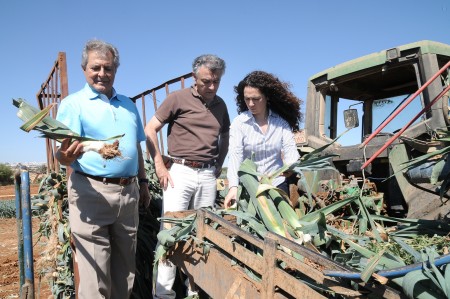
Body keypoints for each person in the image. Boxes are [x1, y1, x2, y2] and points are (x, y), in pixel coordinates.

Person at [55, 39, 150, 299]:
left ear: (115, 70)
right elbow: (62, 153)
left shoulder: (128, 105)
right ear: (84, 69)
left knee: (125, 269)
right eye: (96, 67)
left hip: (128, 193)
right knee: (95, 272)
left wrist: (143, 183)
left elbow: (136, 148)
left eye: (108, 68)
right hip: (91, 191)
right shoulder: (73, 105)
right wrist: (64, 157)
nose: (102, 74)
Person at [144, 54, 230, 298]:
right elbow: (150, 129)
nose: (211, 87)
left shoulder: (221, 105)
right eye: (206, 82)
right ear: (194, 78)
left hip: (206, 175)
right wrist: (160, 166)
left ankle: (193, 291)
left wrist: (218, 165)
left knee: (201, 234)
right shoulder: (177, 98)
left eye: (216, 82)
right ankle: (163, 294)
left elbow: (225, 137)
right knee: (170, 233)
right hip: (179, 173)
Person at [224, 70, 302, 208]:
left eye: (256, 99)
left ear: (266, 97)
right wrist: (233, 187)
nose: (251, 104)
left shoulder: (281, 123)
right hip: (250, 187)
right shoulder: (239, 123)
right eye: (247, 99)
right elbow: (235, 156)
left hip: (277, 186)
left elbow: (291, 151)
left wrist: (291, 166)